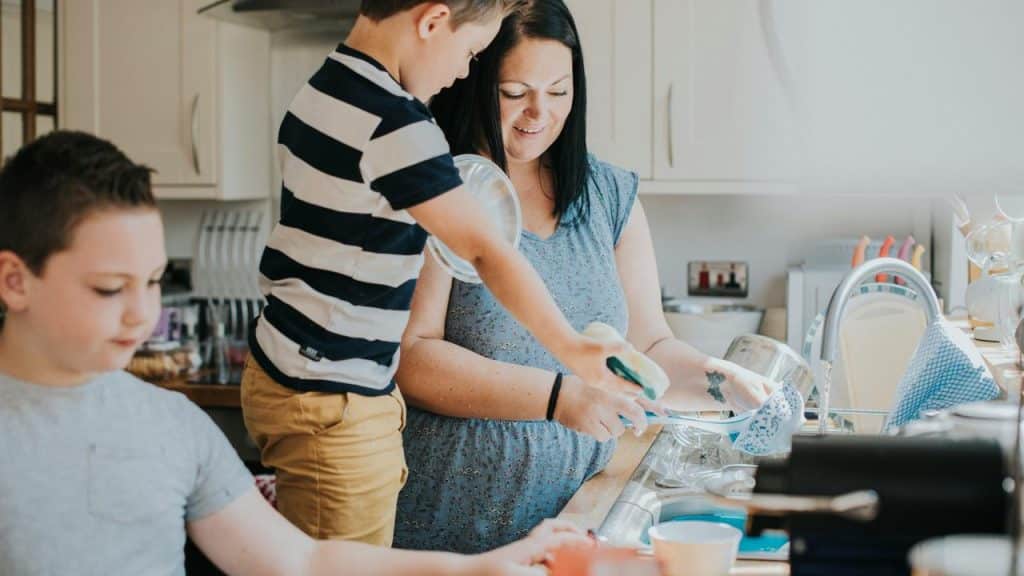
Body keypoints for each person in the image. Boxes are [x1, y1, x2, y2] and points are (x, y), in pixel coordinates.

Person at [0, 130, 589, 576]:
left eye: (154, 281)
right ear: (15, 281)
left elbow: (303, 561)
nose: (143, 314)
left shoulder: (173, 426)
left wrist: (476, 568)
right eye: (110, 288)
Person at [241, 0, 650, 546]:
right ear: (432, 22)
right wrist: (572, 349)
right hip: (333, 398)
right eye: (471, 52)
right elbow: (486, 252)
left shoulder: (325, 88)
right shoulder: (398, 124)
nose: (464, 71)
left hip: (290, 376)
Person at [394, 0, 778, 553]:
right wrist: (558, 395)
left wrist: (723, 381)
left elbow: (646, 345)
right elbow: (416, 356)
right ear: (475, 76)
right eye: (514, 92)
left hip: (578, 513)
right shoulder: (448, 188)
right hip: (455, 522)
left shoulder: (607, 196)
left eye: (558, 91)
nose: (538, 113)